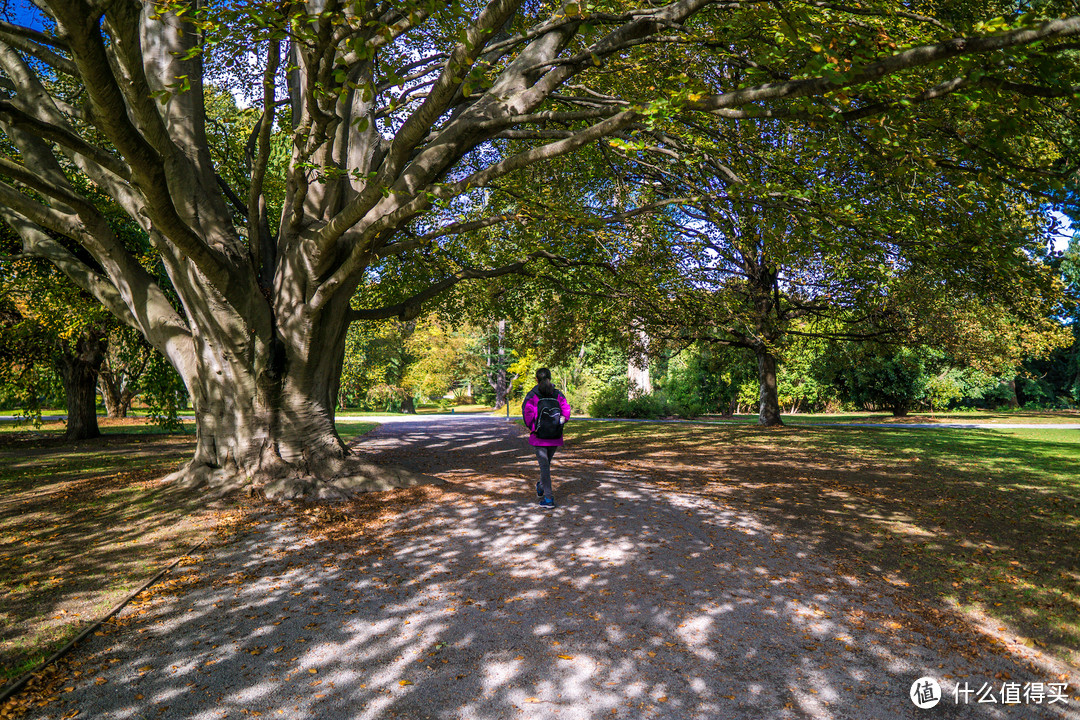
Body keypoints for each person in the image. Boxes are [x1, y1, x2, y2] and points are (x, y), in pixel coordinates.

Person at [521, 368, 571, 508]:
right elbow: (566, 410)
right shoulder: (557, 394)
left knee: (545, 467)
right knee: (546, 466)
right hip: (555, 434)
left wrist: (533, 427)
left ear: (536, 379)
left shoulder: (532, 395)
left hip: (539, 436)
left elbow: (527, 413)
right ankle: (541, 487)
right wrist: (562, 421)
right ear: (550, 377)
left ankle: (548, 499)